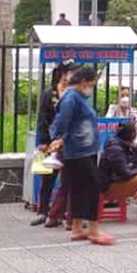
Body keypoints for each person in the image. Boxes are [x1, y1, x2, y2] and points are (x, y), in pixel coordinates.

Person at [49, 65, 114, 246]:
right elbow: (62, 121)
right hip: (80, 151)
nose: (92, 87)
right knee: (92, 187)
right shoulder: (71, 98)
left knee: (78, 188)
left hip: (84, 149)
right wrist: (58, 138)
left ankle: (77, 227)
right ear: (84, 82)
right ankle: (94, 230)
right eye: (92, 84)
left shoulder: (78, 97)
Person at [32, 63, 73, 227]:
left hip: (67, 141)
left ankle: (60, 213)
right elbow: (42, 117)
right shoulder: (49, 94)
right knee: (47, 177)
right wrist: (42, 141)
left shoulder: (73, 93)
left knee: (67, 179)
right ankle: (42, 210)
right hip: (50, 140)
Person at [98, 123, 137, 220]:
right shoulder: (116, 150)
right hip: (109, 188)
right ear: (131, 135)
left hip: (114, 182)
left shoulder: (120, 144)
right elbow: (125, 174)